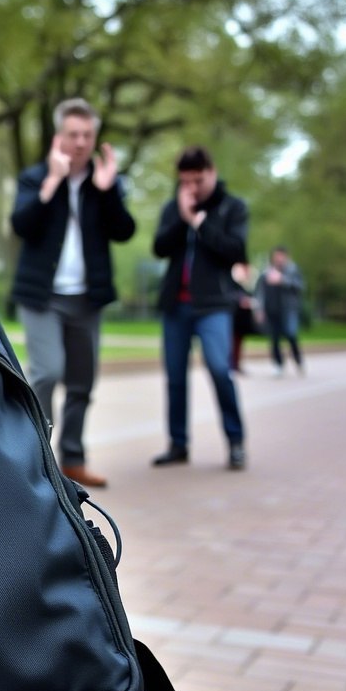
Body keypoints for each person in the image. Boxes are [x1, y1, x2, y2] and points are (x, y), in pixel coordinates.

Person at [9, 97, 136, 489]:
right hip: (43, 297)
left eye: (87, 135)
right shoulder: (35, 177)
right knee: (48, 372)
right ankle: (38, 460)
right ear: (58, 136)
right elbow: (21, 225)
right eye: (73, 134)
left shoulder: (104, 182)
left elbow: (124, 231)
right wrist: (52, 181)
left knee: (82, 383)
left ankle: (74, 460)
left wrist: (109, 191)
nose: (80, 142)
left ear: (94, 138)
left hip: (87, 298)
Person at [151, 145, 248, 471]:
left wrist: (200, 223)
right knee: (175, 378)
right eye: (185, 181)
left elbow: (235, 251)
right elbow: (159, 248)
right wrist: (183, 219)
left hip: (214, 305)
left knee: (220, 369)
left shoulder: (232, 207)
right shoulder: (173, 207)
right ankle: (178, 444)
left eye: (198, 180)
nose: (191, 188)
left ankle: (235, 441)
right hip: (176, 306)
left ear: (212, 173)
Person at [255, 246, 305, 376]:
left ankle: (298, 360)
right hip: (272, 310)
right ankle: (278, 364)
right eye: (276, 256)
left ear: (286, 256)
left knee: (291, 334)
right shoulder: (266, 273)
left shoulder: (293, 270)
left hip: (288, 310)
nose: (279, 258)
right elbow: (260, 293)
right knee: (274, 339)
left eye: (281, 256)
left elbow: (300, 286)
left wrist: (282, 280)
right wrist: (259, 310)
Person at [229, 263, 257, 374]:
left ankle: (235, 364)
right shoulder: (231, 283)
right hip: (234, 318)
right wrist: (241, 301)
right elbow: (231, 296)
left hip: (241, 320)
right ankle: (232, 364)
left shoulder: (244, 285)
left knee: (238, 343)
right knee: (232, 342)